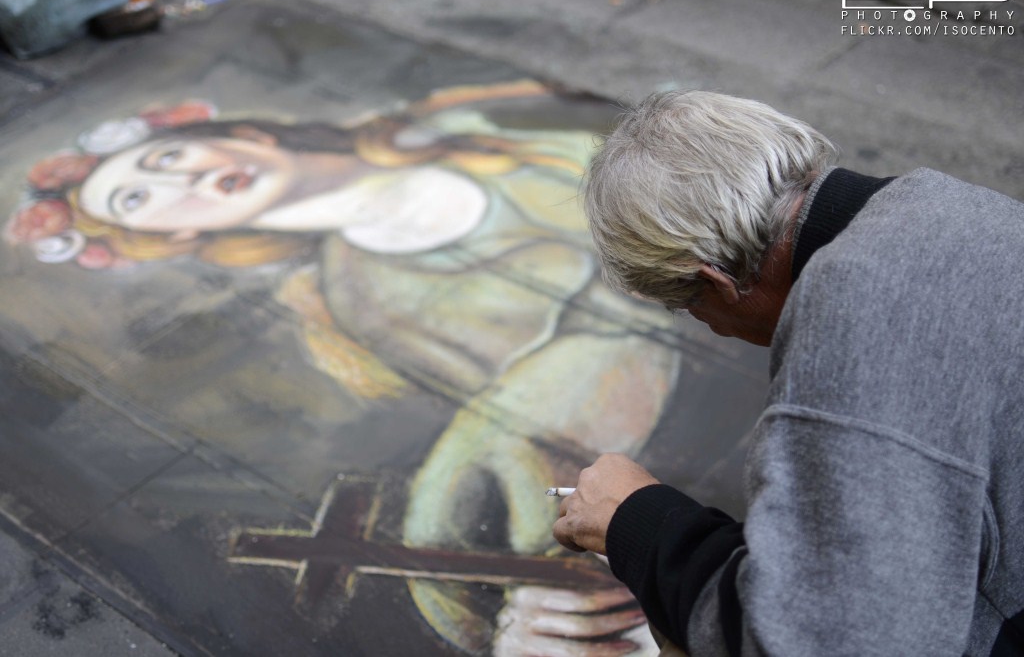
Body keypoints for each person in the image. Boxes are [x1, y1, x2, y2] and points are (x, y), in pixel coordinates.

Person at [6, 85, 680, 655]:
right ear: (175, 239)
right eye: (139, 200)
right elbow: (500, 436)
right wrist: (516, 592)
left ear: (245, 135)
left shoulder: (454, 119)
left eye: (166, 156)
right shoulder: (347, 303)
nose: (182, 181)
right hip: (629, 454)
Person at [554, 90, 1024, 656]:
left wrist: (639, 525)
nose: (710, 328)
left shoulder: (852, 320)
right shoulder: (953, 205)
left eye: (691, 311)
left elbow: (819, 640)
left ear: (716, 283)